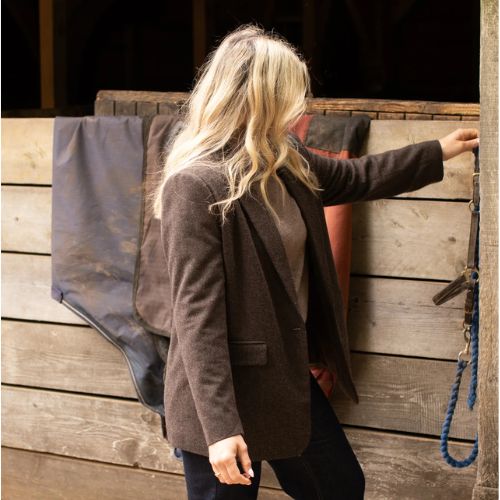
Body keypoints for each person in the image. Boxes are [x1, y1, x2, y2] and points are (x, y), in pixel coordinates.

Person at [152, 23, 479, 500]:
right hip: (219, 397)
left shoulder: (284, 160)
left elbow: (356, 177)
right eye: (289, 92)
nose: (300, 105)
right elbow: (196, 318)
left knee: (340, 487)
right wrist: (220, 430)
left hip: (282, 381)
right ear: (261, 96)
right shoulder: (195, 185)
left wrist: (439, 151)